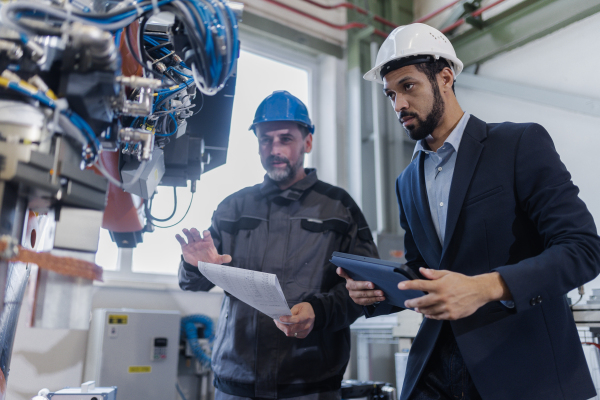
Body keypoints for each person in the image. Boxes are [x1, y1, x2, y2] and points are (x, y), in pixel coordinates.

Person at [337, 23, 600, 400]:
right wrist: (377, 292)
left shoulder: (517, 144)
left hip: (519, 365)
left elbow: (583, 249)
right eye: (390, 94)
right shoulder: (407, 181)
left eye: (408, 87)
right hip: (436, 367)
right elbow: (421, 269)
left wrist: (483, 287)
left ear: (445, 78)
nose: (398, 105)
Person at [177, 90, 379, 400]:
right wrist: (196, 266)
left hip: (311, 384)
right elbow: (194, 284)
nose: (274, 149)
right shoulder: (232, 208)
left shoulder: (339, 208)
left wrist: (319, 311)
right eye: (265, 140)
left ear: (307, 142)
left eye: (285, 139)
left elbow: (368, 289)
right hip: (236, 383)